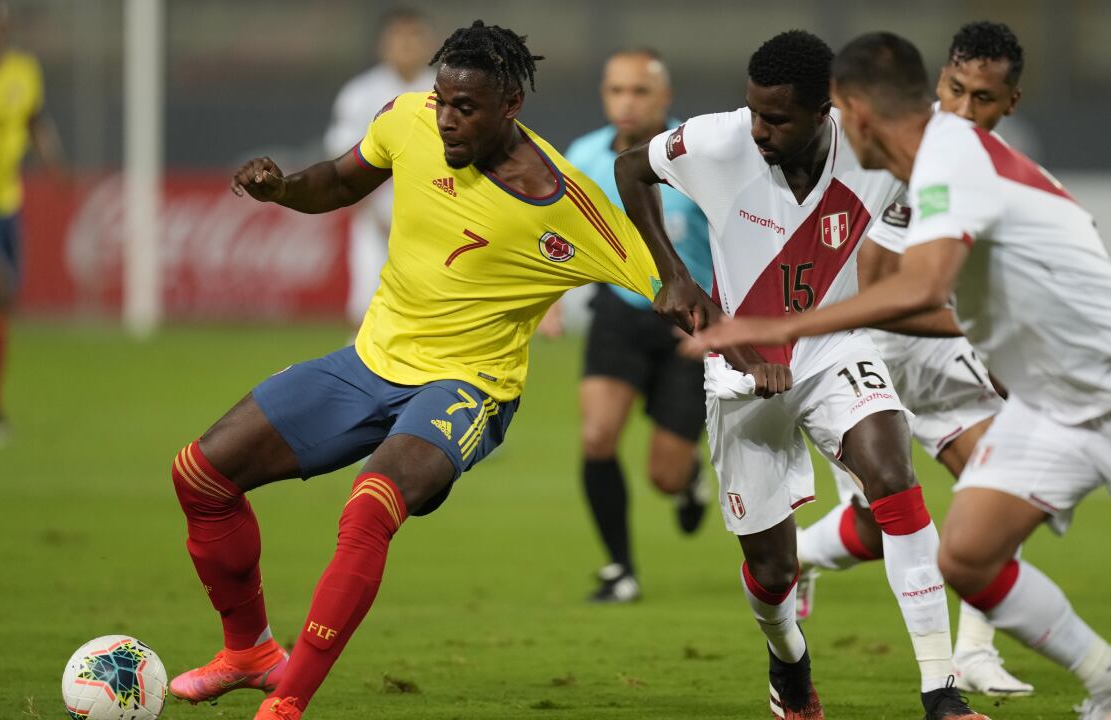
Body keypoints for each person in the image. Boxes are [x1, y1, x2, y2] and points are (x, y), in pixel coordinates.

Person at [167, 21, 671, 720]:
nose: (447, 119)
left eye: (465, 108)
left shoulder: (563, 202)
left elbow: (670, 292)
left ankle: (286, 703)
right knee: (201, 473)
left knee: (370, 504)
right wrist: (282, 188)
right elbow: (340, 182)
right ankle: (248, 651)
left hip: (469, 388)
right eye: (442, 101)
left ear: (511, 106)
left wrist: (757, 339)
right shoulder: (408, 120)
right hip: (369, 362)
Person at [696, 31, 1111, 720]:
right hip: (1047, 396)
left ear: (852, 109)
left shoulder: (951, 158)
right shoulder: (926, 161)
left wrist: (778, 324)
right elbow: (900, 281)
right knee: (967, 555)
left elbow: (921, 287)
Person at [616, 29, 987, 720]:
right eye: (754, 110)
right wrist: (673, 274)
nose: (759, 129)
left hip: (831, 346)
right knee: (773, 573)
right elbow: (630, 167)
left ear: (827, 112)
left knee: (892, 476)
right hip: (737, 370)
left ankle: (941, 689)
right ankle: (788, 666)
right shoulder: (721, 140)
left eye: (777, 118)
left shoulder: (872, 150)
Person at [796, 21, 1032, 697]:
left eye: (983, 98)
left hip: (941, 355)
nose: (964, 109)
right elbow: (880, 291)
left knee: (1004, 488)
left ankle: (976, 652)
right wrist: (989, 337)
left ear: (1009, 102)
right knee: (875, 531)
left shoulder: (992, 168)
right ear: (937, 83)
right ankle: (803, 557)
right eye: (955, 90)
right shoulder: (903, 152)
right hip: (870, 349)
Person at [564, 48, 713, 603]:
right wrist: (549, 301)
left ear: (664, 98)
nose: (626, 102)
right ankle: (620, 569)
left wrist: (723, 322)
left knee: (665, 476)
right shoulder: (583, 156)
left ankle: (689, 477)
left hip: (690, 328)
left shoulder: (699, 154)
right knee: (598, 435)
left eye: (640, 91)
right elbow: (554, 235)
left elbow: (736, 241)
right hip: (621, 314)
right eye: (616, 90)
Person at [0, 0, 65, 447]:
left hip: (6, 205)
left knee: (1, 301)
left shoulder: (22, 72)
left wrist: (53, 163)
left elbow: (35, 122)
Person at [325, 7, 436, 326]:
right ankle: (357, 376)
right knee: (366, 312)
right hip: (375, 224)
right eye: (398, 37)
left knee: (429, 315)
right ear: (382, 43)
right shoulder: (360, 94)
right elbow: (341, 163)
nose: (406, 45)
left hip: (435, 222)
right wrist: (371, 213)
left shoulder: (446, 90)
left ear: (429, 43)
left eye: (414, 37)